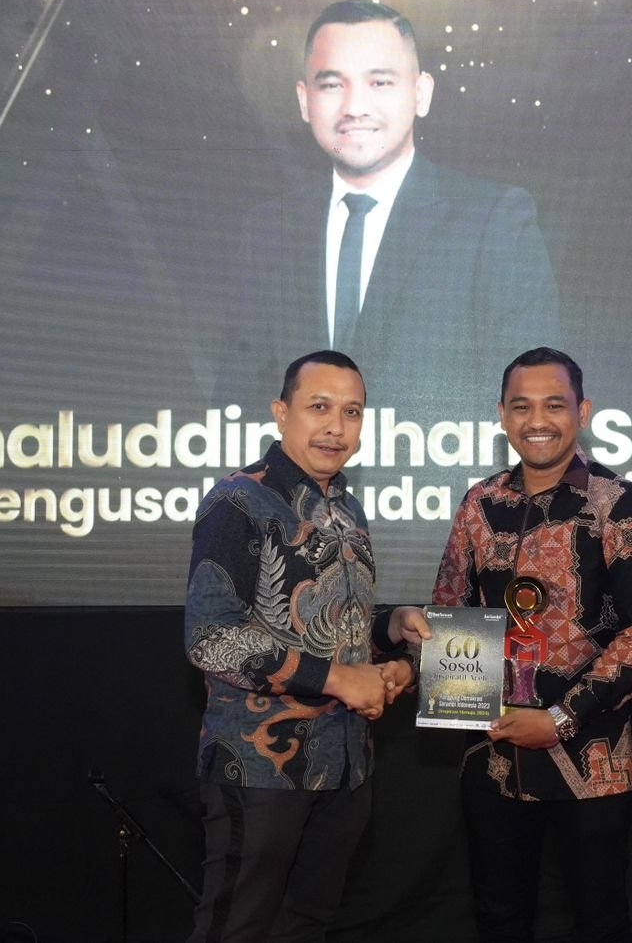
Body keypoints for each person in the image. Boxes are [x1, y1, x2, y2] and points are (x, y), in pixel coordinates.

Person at [183, 350, 430, 943]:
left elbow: (326, 629)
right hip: (258, 770)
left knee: (307, 927)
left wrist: (388, 628)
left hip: (344, 766)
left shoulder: (347, 508)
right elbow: (211, 639)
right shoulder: (238, 501)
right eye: (319, 407)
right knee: (237, 929)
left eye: (352, 412)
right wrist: (341, 680)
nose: (336, 427)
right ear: (281, 412)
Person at [431, 346, 632, 943]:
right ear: (502, 415)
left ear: (582, 412)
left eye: (554, 405)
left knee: (599, 921)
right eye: (522, 406)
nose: (538, 420)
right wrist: (458, 697)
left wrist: (561, 718)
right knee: (498, 918)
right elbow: (454, 612)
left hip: (593, 761)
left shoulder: (620, 504)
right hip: (494, 757)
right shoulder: (480, 502)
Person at [226, 0, 561, 421]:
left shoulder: (493, 222)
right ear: (304, 100)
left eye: (380, 82)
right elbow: (233, 410)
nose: (354, 107)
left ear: (421, 94)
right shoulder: (268, 230)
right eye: (332, 85)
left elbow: (532, 407)